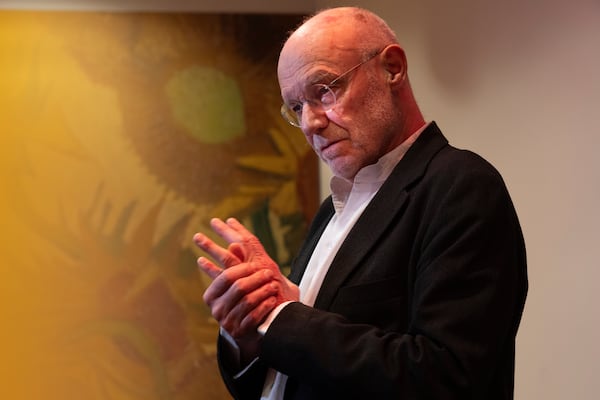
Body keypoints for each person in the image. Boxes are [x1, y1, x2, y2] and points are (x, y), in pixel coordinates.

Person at [193, 6, 527, 400]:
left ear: (392, 69)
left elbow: (447, 376)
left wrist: (279, 316)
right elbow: (298, 371)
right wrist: (248, 333)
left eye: (325, 90)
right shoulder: (331, 209)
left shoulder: (460, 187)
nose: (310, 123)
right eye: (297, 107)